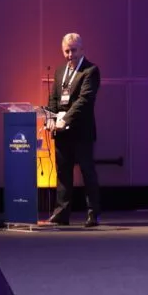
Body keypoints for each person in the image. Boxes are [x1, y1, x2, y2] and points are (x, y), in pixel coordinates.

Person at [46, 33, 101, 228]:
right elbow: (54, 99)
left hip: (81, 131)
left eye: (74, 50)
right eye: (67, 51)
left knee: (87, 172)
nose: (70, 55)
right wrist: (51, 118)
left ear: (82, 49)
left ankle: (93, 214)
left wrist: (65, 119)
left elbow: (84, 100)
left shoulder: (91, 70)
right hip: (62, 132)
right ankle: (61, 213)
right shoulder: (60, 71)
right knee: (63, 172)